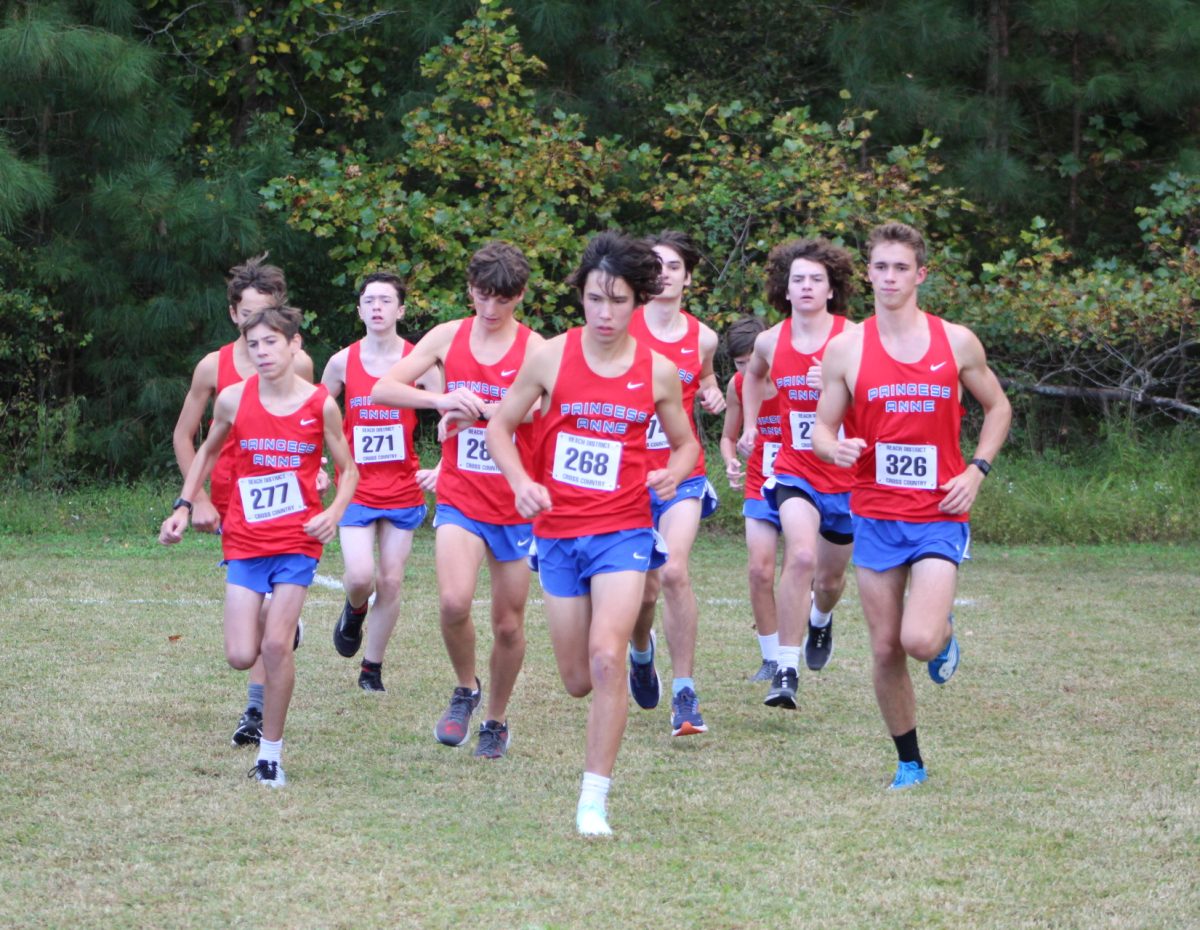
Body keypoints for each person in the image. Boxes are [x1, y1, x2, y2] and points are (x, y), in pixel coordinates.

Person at [486, 231, 700, 836]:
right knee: (578, 680)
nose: (605, 314)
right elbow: (501, 428)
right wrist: (522, 481)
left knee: (604, 660)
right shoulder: (550, 357)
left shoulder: (657, 371)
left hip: (623, 530)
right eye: (595, 299)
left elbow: (687, 445)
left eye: (619, 301)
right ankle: (641, 645)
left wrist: (672, 473)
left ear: (639, 302)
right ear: (581, 296)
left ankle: (593, 800)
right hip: (557, 533)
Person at [813, 221, 1011, 789]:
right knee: (884, 646)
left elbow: (998, 409)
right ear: (868, 274)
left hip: (939, 513)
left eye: (902, 267)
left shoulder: (956, 341)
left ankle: (942, 632)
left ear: (920, 274)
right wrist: (837, 448)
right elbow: (821, 433)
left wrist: (977, 470)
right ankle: (910, 761)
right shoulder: (846, 349)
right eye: (881, 267)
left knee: (918, 640)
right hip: (874, 512)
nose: (890, 277)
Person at [160, 305, 359, 786]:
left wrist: (332, 514)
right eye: (254, 345)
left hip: (297, 540)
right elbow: (206, 450)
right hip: (246, 538)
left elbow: (348, 469)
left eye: (272, 342)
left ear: (295, 346)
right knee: (239, 654)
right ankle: (281, 626)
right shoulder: (232, 399)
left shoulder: (319, 404)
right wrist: (184, 507)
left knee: (273, 647)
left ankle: (270, 756)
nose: (263, 352)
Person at [371, 242, 543, 759]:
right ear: (470, 289)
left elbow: (551, 409)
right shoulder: (449, 335)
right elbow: (383, 388)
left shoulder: (538, 349)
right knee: (452, 602)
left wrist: (489, 413)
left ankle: (496, 718)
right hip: (461, 494)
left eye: (503, 300)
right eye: (483, 297)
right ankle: (466, 688)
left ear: (520, 297)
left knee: (509, 623)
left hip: (515, 499)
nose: (490, 311)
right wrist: (439, 399)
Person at [170, 255, 315, 747]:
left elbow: (310, 428)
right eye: (250, 313)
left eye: (270, 312)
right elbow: (186, 437)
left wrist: (317, 484)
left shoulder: (298, 362)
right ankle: (282, 631)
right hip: (232, 504)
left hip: (287, 509)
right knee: (249, 629)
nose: (260, 323)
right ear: (234, 313)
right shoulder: (213, 367)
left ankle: (256, 711)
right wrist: (198, 501)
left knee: (271, 615)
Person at [737, 238, 859, 710]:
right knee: (801, 556)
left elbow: (877, 394)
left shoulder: (855, 338)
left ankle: (821, 621)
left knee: (828, 583)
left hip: (845, 475)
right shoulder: (769, 340)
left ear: (831, 290)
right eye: (797, 280)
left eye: (816, 280)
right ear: (784, 291)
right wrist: (750, 425)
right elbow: (752, 375)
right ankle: (785, 669)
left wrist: (838, 385)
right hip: (794, 470)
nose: (806, 287)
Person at [320, 272, 441, 692]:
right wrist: (312, 464)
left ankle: (372, 668)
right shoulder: (340, 362)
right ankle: (354, 612)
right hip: (356, 485)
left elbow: (454, 419)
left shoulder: (419, 362)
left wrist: (444, 467)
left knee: (390, 580)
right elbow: (309, 414)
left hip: (403, 486)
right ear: (359, 310)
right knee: (359, 577)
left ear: (400, 310)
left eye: (386, 301)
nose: (376, 307)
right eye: (369, 300)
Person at [626, 230, 724, 737]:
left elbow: (704, 377)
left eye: (673, 266)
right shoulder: (620, 327)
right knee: (642, 591)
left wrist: (713, 394)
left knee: (675, 571)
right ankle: (641, 652)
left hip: (681, 473)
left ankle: (685, 693)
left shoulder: (703, 336)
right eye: (655, 265)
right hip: (627, 477)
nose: (663, 273)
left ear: (688, 277)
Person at [718, 315, 782, 682]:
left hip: (805, 480)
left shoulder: (798, 380)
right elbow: (729, 436)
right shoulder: (738, 385)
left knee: (812, 574)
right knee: (760, 571)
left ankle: (818, 615)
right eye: (740, 363)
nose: (748, 369)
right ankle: (771, 659)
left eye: (752, 360)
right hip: (761, 482)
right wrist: (731, 459)